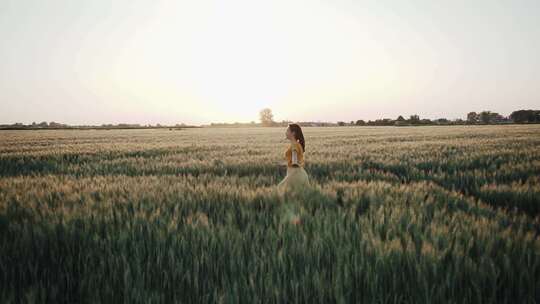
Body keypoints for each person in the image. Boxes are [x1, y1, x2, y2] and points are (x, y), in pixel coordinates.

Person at [277, 123, 309, 194]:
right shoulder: (297, 144)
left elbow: (295, 163)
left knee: (280, 189)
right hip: (302, 174)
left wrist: (288, 178)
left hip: (295, 174)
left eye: (287, 131)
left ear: (293, 133)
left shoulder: (294, 146)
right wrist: (284, 164)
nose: (285, 132)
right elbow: (295, 161)